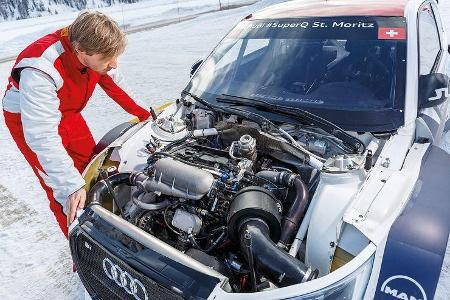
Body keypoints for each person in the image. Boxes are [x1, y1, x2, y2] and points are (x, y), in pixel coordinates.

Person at [2, 11, 151, 237]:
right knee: (65, 190)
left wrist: (147, 115)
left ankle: (111, 224)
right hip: (29, 121)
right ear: (80, 51)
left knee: (91, 170)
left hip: (68, 113)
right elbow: (42, 135)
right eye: (106, 59)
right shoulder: (40, 69)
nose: (114, 64)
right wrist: (70, 184)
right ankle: (83, 248)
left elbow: (118, 86)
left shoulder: (94, 49)